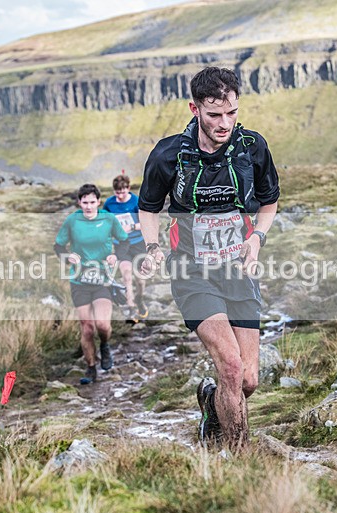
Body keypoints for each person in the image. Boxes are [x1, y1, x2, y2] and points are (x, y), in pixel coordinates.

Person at [138, 67, 279, 449]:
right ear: (194, 108)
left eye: (231, 112)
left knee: (247, 380)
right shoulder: (169, 154)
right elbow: (148, 208)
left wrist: (257, 240)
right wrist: (153, 248)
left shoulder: (253, 147)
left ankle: (211, 405)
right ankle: (238, 460)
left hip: (238, 272)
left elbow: (269, 201)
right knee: (231, 365)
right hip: (192, 273)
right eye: (214, 114)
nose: (224, 123)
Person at [55, 184, 129, 385]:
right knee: (87, 328)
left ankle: (105, 345)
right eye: (84, 202)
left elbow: (124, 241)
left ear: (98, 202)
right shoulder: (72, 221)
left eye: (92, 202)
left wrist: (115, 256)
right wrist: (67, 257)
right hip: (79, 281)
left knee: (103, 325)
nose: (88, 206)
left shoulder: (108, 219)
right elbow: (59, 246)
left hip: (103, 280)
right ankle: (91, 368)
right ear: (79, 202)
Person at [102, 173, 149, 321]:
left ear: (128, 188)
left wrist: (132, 226)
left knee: (140, 279)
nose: (121, 195)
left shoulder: (136, 201)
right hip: (121, 245)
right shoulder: (109, 204)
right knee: (126, 275)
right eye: (117, 192)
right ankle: (131, 308)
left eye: (123, 191)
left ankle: (140, 298)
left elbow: (147, 223)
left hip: (138, 243)